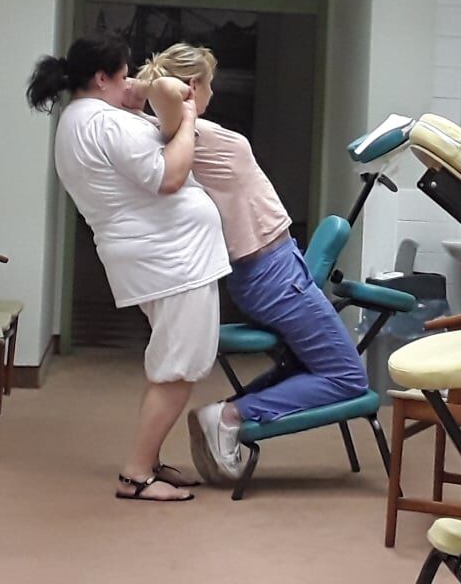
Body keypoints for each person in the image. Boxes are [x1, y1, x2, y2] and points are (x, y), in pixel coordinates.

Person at [136, 43, 368, 484]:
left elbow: (161, 97)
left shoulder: (188, 130)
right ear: (192, 87)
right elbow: (163, 95)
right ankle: (230, 416)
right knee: (348, 377)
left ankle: (225, 415)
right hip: (272, 273)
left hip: (276, 268)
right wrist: (178, 93)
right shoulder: (183, 129)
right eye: (208, 84)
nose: (212, 93)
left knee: (304, 365)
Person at [26, 35, 230, 502]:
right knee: (177, 369)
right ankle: (136, 475)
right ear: (101, 78)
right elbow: (170, 175)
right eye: (123, 76)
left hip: (163, 259)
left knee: (171, 364)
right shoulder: (102, 122)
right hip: (172, 261)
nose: (130, 84)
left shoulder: (84, 119)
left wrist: (141, 98)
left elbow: (142, 148)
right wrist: (188, 119)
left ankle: (149, 461)